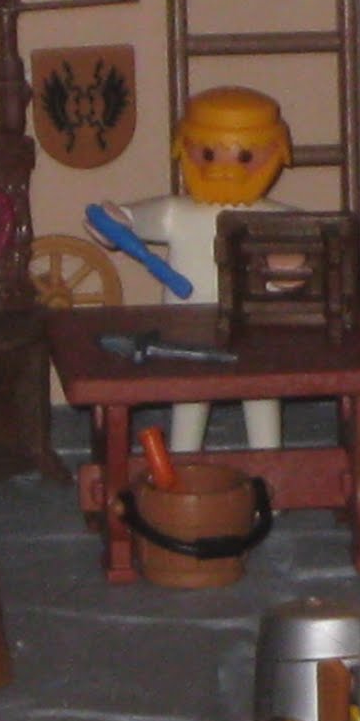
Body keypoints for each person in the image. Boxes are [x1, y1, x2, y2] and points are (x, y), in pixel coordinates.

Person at [99, 85, 294, 450]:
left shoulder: (276, 220)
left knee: (261, 394)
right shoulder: (177, 213)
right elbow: (131, 221)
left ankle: (270, 465)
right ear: (184, 147)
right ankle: (182, 460)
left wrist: (288, 271)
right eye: (208, 154)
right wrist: (114, 222)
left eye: (244, 156)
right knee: (190, 396)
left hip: (253, 328)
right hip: (186, 328)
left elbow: (304, 261)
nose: (223, 168)